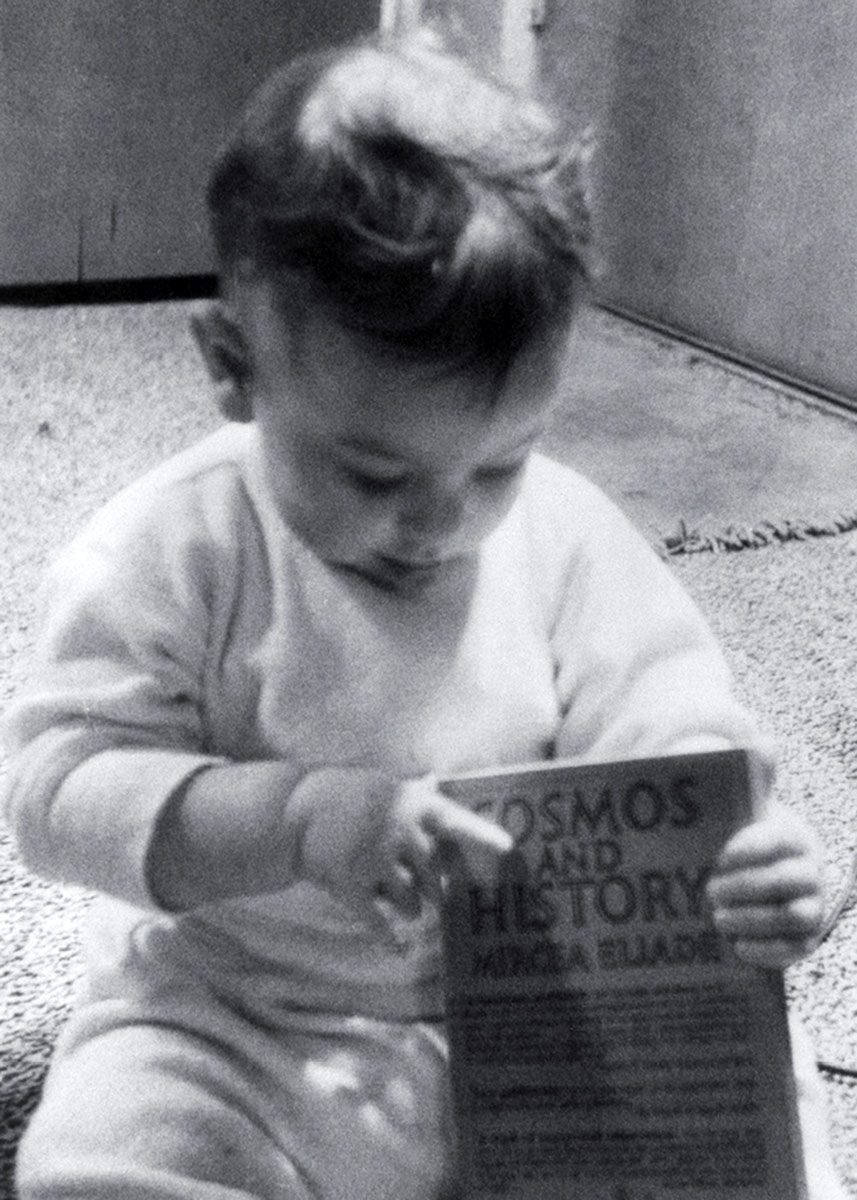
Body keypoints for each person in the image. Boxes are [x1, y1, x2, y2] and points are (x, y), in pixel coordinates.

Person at [1, 28, 845, 1200]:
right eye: (374, 474)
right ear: (232, 361)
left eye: (499, 460)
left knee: (766, 1121)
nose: (440, 525)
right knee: (110, 1152)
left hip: (539, 1014)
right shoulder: (176, 546)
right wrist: (298, 822)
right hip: (253, 1019)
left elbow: (665, 719)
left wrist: (740, 855)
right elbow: (56, 795)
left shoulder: (560, 534)